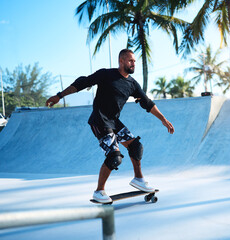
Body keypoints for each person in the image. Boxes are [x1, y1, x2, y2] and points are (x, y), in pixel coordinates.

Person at [46, 49, 175, 203]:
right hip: (99, 121)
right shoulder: (106, 74)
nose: (134, 64)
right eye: (130, 61)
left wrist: (163, 119)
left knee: (136, 147)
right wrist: (59, 96)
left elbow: (147, 103)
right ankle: (99, 191)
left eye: (134, 61)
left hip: (114, 121)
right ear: (121, 61)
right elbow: (82, 83)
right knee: (114, 157)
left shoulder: (132, 84)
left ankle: (139, 179)